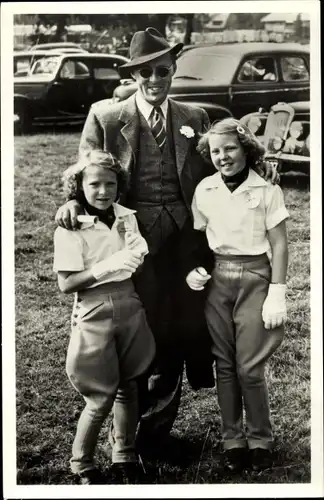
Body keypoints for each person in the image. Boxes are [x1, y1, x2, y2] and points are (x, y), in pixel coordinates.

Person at [55, 27, 279, 456]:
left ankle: (157, 432)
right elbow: (86, 173)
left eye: (162, 71)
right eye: (145, 73)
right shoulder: (106, 116)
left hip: (183, 243)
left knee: (177, 333)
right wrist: (68, 205)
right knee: (136, 334)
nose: (154, 80)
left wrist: (259, 170)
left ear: (173, 69)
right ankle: (127, 437)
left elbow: (221, 165)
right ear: (134, 75)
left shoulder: (194, 118)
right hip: (130, 242)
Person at [187, 118, 289, 474]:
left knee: (249, 365)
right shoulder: (205, 189)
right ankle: (233, 440)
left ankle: (260, 439)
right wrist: (195, 267)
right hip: (218, 278)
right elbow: (199, 237)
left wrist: (277, 290)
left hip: (255, 276)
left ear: (245, 148)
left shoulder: (266, 189)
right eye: (215, 151)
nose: (223, 156)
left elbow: (278, 242)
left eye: (230, 148)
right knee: (225, 364)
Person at [53, 150, 155, 484]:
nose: (103, 191)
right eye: (94, 183)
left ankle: (123, 455)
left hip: (129, 305)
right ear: (79, 186)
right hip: (95, 309)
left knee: (129, 386)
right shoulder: (70, 226)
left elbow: (135, 254)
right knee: (99, 395)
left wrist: (135, 254)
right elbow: (67, 283)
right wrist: (103, 268)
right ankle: (82, 462)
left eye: (110, 183)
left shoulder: (127, 216)